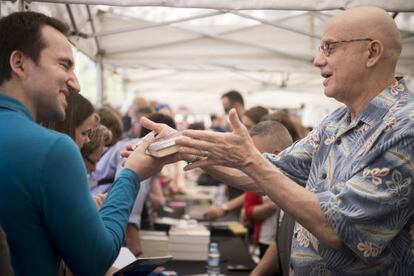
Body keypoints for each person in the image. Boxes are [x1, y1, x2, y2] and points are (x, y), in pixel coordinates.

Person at [173, 6, 413, 275]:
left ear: (372, 52)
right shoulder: (336, 121)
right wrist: (185, 147)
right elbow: (271, 173)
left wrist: (249, 160)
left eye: (329, 47)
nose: (317, 60)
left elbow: (338, 227)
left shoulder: (406, 127)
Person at [0, 12, 174, 276]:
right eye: (64, 65)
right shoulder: (52, 149)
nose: (76, 84)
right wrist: (131, 175)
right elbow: (95, 261)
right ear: (19, 63)